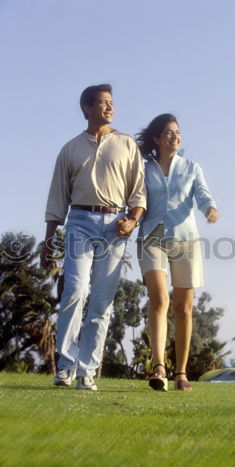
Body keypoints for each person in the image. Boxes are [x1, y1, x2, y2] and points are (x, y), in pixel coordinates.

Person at [40, 84, 146, 391]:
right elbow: (57, 199)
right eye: (102, 102)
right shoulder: (70, 149)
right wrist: (48, 241)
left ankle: (87, 371)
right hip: (80, 222)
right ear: (87, 108)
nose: (110, 107)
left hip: (116, 224)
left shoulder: (126, 144)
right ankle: (65, 366)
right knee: (74, 290)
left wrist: (133, 220)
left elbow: (138, 193)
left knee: (102, 300)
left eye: (111, 102)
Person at [136, 114, 218, 391]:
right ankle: (159, 366)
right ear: (157, 138)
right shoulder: (144, 167)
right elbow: (136, 197)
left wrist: (210, 208)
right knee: (159, 299)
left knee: (184, 308)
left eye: (178, 132)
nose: (175, 136)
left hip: (186, 240)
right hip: (151, 237)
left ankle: (181, 373)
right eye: (169, 132)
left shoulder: (191, 167)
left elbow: (203, 194)